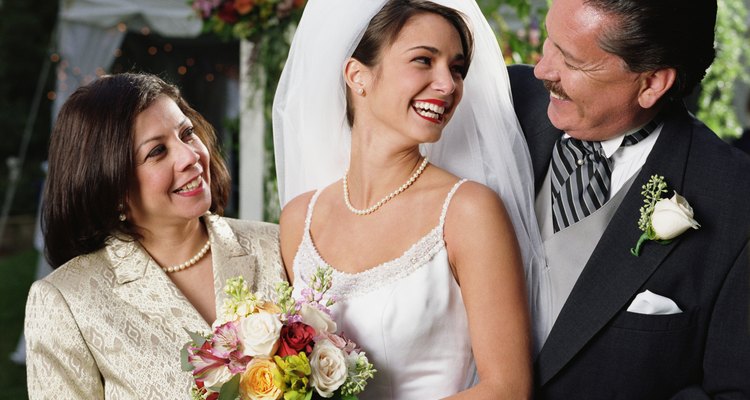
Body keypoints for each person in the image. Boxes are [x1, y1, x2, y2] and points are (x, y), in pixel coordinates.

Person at [273, 0, 541, 398]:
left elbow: (509, 389)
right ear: (357, 75)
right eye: (423, 60)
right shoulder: (300, 218)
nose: (448, 85)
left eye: (457, 68)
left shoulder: (468, 211)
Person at [508, 0, 750, 397]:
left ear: (652, 83)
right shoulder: (492, 103)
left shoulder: (736, 200)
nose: (542, 69)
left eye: (572, 61)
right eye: (550, 41)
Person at [24, 73, 286, 398]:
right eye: (157, 151)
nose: (191, 156)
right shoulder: (65, 302)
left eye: (187, 133)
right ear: (111, 184)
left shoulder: (275, 245)